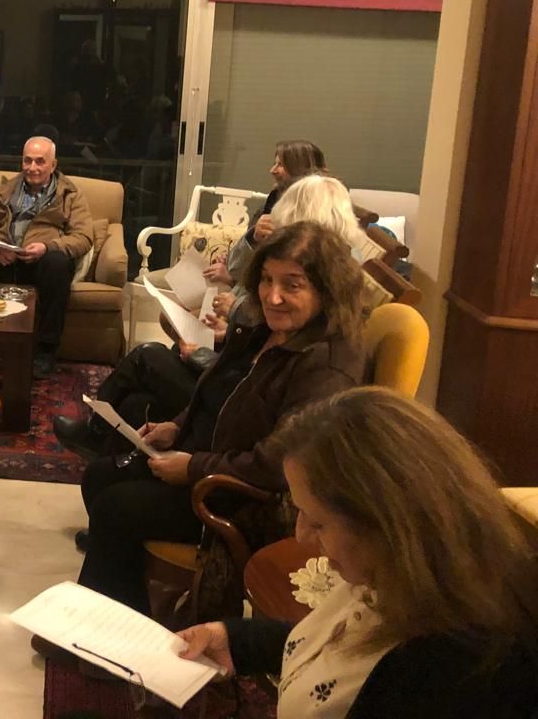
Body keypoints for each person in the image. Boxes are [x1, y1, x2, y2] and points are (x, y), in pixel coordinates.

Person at [178, 388, 538, 718]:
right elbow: (345, 642)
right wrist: (237, 641)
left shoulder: (448, 674)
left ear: (388, 527)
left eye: (318, 523)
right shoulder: (391, 577)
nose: (301, 536)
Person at [76, 221, 365, 614]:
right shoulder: (265, 329)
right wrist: (177, 425)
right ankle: (125, 594)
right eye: (266, 279)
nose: (273, 296)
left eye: (292, 285)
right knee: (99, 476)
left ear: (326, 289)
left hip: (238, 495)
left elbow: (278, 464)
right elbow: (216, 387)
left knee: (116, 507)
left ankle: (106, 621)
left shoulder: (327, 364)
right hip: (208, 456)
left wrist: (193, 467)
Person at [52, 173, 366, 463]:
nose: (274, 295)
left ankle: (97, 435)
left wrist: (209, 347)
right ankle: (114, 460)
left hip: (231, 398)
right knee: (137, 403)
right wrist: (227, 330)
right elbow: (247, 316)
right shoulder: (292, 262)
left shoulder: (321, 292)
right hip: (227, 365)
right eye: (267, 281)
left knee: (145, 357)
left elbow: (257, 372)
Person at [0, 136, 94, 377]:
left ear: (53, 165)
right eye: (27, 161)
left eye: (40, 161)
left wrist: (47, 247)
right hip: (6, 260)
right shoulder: (6, 190)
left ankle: (45, 351)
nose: (32, 167)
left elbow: (83, 237)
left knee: (58, 264)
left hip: (41, 263)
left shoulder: (70, 194)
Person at [212, 139, 326, 287]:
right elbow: (236, 268)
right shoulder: (269, 206)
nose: (272, 170)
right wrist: (253, 239)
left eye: (281, 164)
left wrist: (234, 292)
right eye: (275, 163)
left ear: (300, 168)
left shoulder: (323, 217)